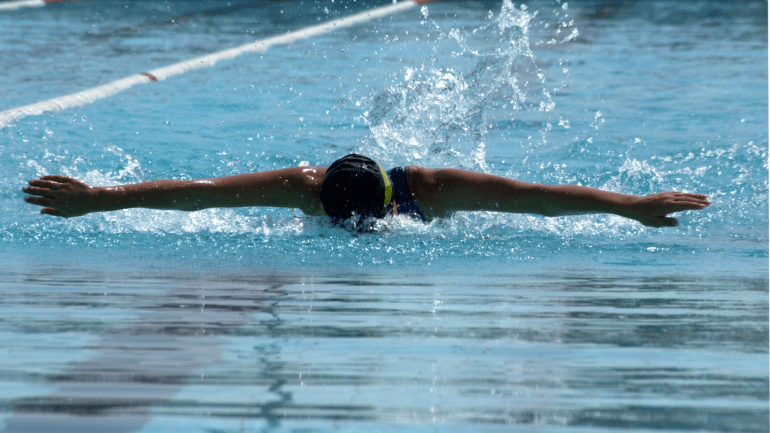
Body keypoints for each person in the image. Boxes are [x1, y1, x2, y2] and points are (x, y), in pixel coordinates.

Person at [22, 153, 710, 228]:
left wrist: (632, 207)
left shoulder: (435, 187)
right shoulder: (303, 187)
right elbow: (198, 192)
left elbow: (538, 195)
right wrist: (100, 197)